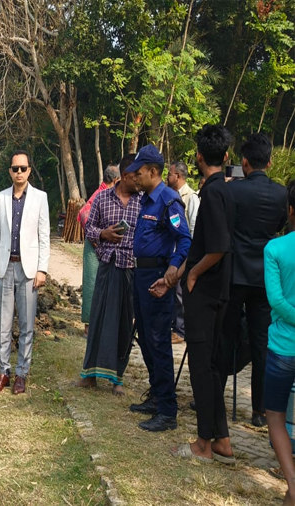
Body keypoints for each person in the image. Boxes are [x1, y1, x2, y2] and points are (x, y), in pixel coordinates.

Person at [164, 125, 236, 464]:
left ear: (197, 157)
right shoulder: (227, 190)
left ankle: (203, 443)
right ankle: (222, 439)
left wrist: (191, 273)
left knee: (202, 369)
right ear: (226, 156)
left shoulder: (212, 195)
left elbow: (218, 247)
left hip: (205, 292)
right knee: (210, 366)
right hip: (218, 290)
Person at [221, 132, 288, 428]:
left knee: (225, 335)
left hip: (235, 274)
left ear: (244, 162)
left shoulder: (233, 192)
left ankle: (214, 396)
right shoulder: (282, 194)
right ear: (270, 162)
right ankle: (260, 409)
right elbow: (279, 227)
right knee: (262, 342)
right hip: (265, 277)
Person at [127, 143, 191, 432]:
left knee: (159, 342)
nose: (134, 177)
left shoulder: (168, 200)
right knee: (146, 338)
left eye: (138, 173)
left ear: (153, 172)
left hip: (157, 277)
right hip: (140, 276)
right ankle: (156, 396)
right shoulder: (145, 199)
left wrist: (172, 273)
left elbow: (185, 240)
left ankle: (167, 410)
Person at [0, 150, 50, 395]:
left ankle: (22, 373)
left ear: (30, 170)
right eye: (15, 168)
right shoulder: (1, 198)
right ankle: (3, 371)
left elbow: (45, 236)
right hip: (5, 268)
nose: (19, 172)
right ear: (10, 171)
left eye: (23, 168)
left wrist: (42, 269)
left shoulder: (40, 198)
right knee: (3, 323)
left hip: (29, 269)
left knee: (26, 325)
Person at [77, 155, 139, 395]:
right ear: (124, 176)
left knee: (125, 322)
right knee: (99, 320)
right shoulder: (102, 198)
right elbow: (89, 227)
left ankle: (118, 379)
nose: (138, 181)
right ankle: (90, 375)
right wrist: (103, 234)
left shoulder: (142, 202)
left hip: (130, 269)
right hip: (107, 265)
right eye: (135, 176)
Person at [263, 179, 295, 506]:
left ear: (290, 211)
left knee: (275, 416)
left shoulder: (275, 249)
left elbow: (277, 302)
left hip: (283, 347)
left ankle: (293, 485)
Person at [80, 165, 121, 338]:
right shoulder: (101, 195)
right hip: (95, 245)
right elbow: (84, 213)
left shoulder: (102, 192)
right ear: (116, 180)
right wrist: (96, 238)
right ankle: (90, 325)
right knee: (92, 284)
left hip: (99, 243)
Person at [166, 161, 201, 345]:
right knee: (171, 290)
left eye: (170, 174)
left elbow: (194, 227)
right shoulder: (170, 195)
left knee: (180, 293)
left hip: (184, 253)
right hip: (172, 253)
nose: (167, 177)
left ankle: (181, 331)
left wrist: (189, 255)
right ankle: (173, 327)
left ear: (178, 176)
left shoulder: (191, 197)